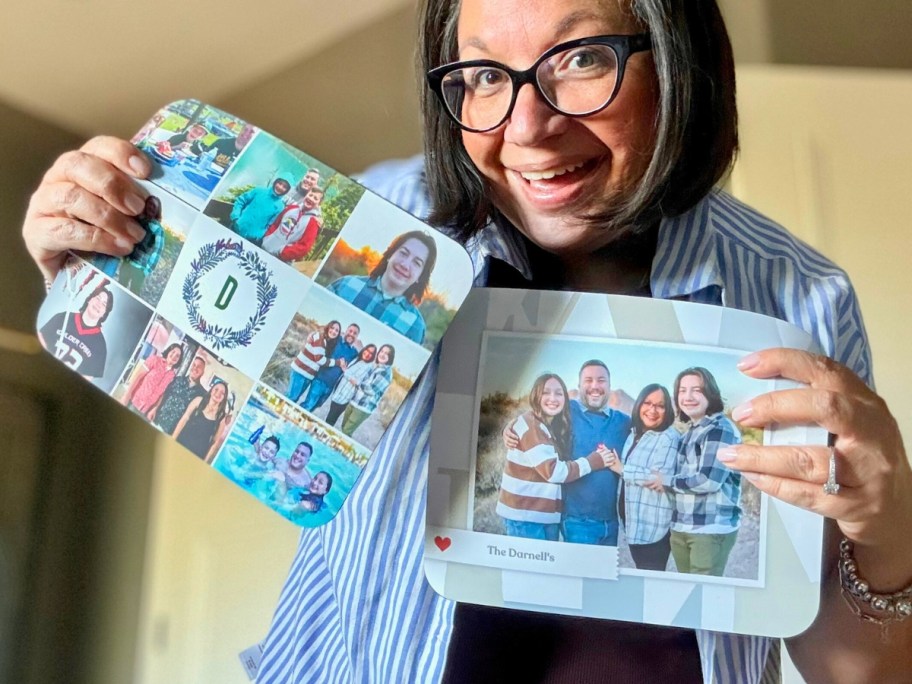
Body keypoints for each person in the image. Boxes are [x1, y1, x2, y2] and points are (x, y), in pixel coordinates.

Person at [21, 1, 912, 680]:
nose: (527, 127)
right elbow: (185, 338)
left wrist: (889, 535)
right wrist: (99, 247)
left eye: (583, 57)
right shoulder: (376, 220)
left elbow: (853, 661)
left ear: (679, 61)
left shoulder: (800, 297)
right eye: (482, 75)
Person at [504, 360, 631, 546]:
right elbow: (536, 415)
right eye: (588, 380)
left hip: (610, 523)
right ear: (579, 385)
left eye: (601, 380)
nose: (595, 386)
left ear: (610, 385)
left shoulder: (624, 422)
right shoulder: (567, 411)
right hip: (576, 521)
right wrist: (510, 427)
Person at [659, 367, 742, 577]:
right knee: (688, 594)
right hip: (682, 527)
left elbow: (708, 481)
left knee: (703, 598)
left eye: (696, 390)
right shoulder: (691, 431)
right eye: (682, 391)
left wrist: (666, 481)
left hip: (709, 529)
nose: (687, 397)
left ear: (710, 393)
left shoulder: (719, 428)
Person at [604, 383, 678, 571]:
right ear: (639, 405)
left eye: (660, 406)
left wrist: (621, 469)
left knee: (651, 579)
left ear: (667, 409)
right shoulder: (634, 434)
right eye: (648, 403)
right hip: (634, 524)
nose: (652, 410)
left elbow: (658, 479)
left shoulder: (668, 438)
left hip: (653, 528)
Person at [327, 230, 437, 344]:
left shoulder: (415, 326)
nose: (405, 265)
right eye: (403, 253)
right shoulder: (345, 285)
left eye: (417, 263)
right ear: (390, 254)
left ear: (420, 276)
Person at [37, 282, 113, 379]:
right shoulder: (64, 317)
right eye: (98, 298)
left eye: (104, 304)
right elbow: (40, 337)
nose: (99, 304)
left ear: (104, 313)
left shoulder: (100, 346)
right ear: (89, 299)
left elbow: (86, 379)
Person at [301, 323, 360, 412]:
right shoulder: (337, 339)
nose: (351, 334)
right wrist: (312, 334)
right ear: (346, 330)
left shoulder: (354, 352)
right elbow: (322, 334)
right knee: (308, 404)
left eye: (355, 333)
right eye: (350, 331)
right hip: (320, 380)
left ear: (357, 336)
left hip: (331, 386)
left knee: (316, 406)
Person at [340, 343, 395, 437]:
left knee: (346, 431)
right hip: (354, 402)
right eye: (382, 351)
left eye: (386, 354)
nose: (382, 354)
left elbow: (371, 390)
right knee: (343, 427)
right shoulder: (375, 366)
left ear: (390, 358)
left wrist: (356, 383)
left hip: (363, 408)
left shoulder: (386, 372)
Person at [120, 342, 184, 418]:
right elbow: (137, 377)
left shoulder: (172, 375)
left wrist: (155, 408)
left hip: (145, 411)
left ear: (179, 360)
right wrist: (126, 396)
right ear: (168, 351)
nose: (174, 356)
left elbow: (162, 394)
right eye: (173, 352)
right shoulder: (154, 360)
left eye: (177, 356)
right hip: (133, 401)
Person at [172, 379, 231, 462]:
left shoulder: (221, 417)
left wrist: (204, 462)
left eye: (222, 393)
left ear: (224, 398)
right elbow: (184, 419)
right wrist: (172, 439)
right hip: (181, 443)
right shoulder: (198, 401)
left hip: (197, 455)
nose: (218, 393)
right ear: (211, 390)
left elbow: (214, 443)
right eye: (216, 389)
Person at [261, 186, 325, 261]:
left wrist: (282, 253)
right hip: (264, 247)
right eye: (310, 195)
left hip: (280, 259)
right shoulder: (291, 208)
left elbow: (304, 247)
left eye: (315, 198)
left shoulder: (313, 222)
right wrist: (267, 238)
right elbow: (276, 224)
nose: (311, 199)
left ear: (319, 204)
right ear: (306, 195)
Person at [118, 195, 165, 295]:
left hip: (140, 269)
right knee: (120, 288)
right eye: (150, 204)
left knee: (134, 293)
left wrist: (146, 271)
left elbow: (157, 250)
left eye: (154, 206)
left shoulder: (157, 228)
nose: (151, 207)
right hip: (127, 262)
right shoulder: (138, 220)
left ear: (157, 211)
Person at [150, 354, 208, 434]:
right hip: (157, 420)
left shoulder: (202, 394)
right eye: (194, 365)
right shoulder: (177, 379)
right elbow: (164, 394)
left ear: (203, 372)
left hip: (172, 432)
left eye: (199, 367)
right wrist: (155, 408)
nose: (195, 368)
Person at [286, 319, 341, 403]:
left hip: (307, 375)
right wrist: (337, 362)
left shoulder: (326, 341)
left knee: (293, 399)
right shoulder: (319, 337)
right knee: (290, 398)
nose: (334, 331)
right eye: (332, 328)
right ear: (328, 327)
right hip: (300, 372)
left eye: (337, 330)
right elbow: (320, 360)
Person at [229, 174, 293, 244]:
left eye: (284, 187)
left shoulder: (280, 206)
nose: (280, 187)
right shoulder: (259, 190)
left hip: (251, 240)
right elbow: (241, 201)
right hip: (236, 227)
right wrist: (235, 217)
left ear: (286, 190)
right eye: (280, 183)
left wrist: (259, 236)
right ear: (275, 182)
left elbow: (270, 225)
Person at [325, 344, 377, 427]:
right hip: (338, 393)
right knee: (330, 418)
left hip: (345, 397)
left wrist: (345, 370)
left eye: (371, 353)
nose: (367, 354)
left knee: (330, 420)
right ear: (364, 349)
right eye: (367, 350)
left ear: (373, 356)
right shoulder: (357, 359)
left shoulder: (368, 367)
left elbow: (357, 382)